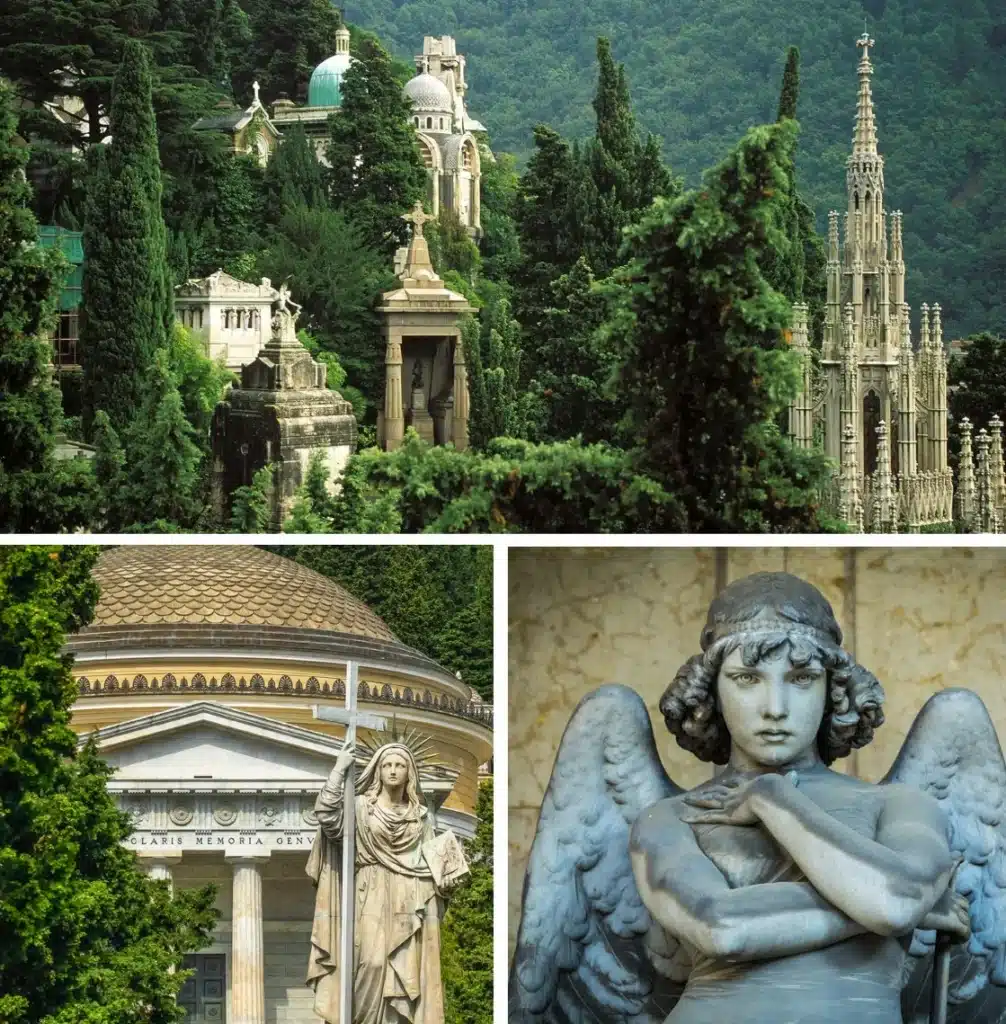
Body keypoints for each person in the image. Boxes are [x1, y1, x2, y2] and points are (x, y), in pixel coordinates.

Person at [628, 574, 970, 1023]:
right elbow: (723, 929)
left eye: (802, 677)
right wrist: (909, 903)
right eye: (747, 678)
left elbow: (897, 901)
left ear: (834, 689)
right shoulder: (671, 817)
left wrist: (774, 801)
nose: (775, 707)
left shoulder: (899, 806)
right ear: (711, 689)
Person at [306, 741, 447, 1024]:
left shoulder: (421, 819)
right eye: (387, 765)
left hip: (409, 896)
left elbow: (436, 868)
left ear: (410, 773)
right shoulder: (360, 808)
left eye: (400, 765)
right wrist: (338, 770)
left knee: (405, 975)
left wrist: (448, 880)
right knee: (370, 963)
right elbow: (327, 817)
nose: (393, 771)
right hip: (368, 891)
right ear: (378, 771)